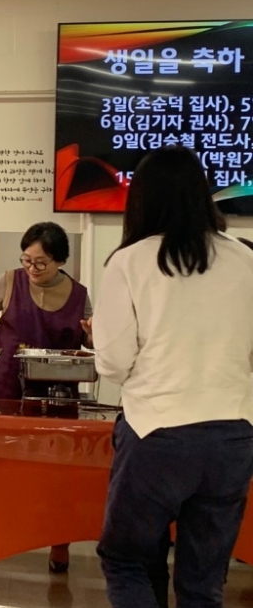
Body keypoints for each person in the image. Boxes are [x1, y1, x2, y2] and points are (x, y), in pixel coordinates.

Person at [93, 145, 253, 608]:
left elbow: (113, 363)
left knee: (126, 559)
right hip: (233, 435)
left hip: (157, 432)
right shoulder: (245, 259)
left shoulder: (130, 261)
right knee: (204, 581)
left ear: (141, 199)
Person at [0, 221, 92, 572]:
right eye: (26, 260)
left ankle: (59, 544)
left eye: (41, 263)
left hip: (58, 396)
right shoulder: (10, 281)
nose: (32, 268)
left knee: (57, 476)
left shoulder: (79, 295)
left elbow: (90, 340)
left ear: (60, 261)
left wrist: (94, 334)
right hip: (8, 389)